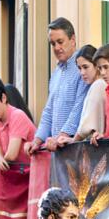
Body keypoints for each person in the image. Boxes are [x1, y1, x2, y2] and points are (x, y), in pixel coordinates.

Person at [25, 17, 88, 154]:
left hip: (75, 147)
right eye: (53, 44)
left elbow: (79, 107)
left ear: (73, 40)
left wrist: (62, 135)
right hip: (57, 149)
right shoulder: (55, 74)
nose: (56, 48)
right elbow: (49, 111)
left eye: (60, 42)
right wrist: (37, 140)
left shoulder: (83, 68)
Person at [0, 75, 37, 172]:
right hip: (17, 173)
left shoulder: (17, 115)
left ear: (4, 98)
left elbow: (11, 155)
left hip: (34, 172)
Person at [65, 44, 107, 142]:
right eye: (79, 68)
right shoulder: (99, 84)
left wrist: (72, 141)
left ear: (96, 65)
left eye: (85, 67)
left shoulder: (98, 85)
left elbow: (86, 127)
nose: (82, 73)